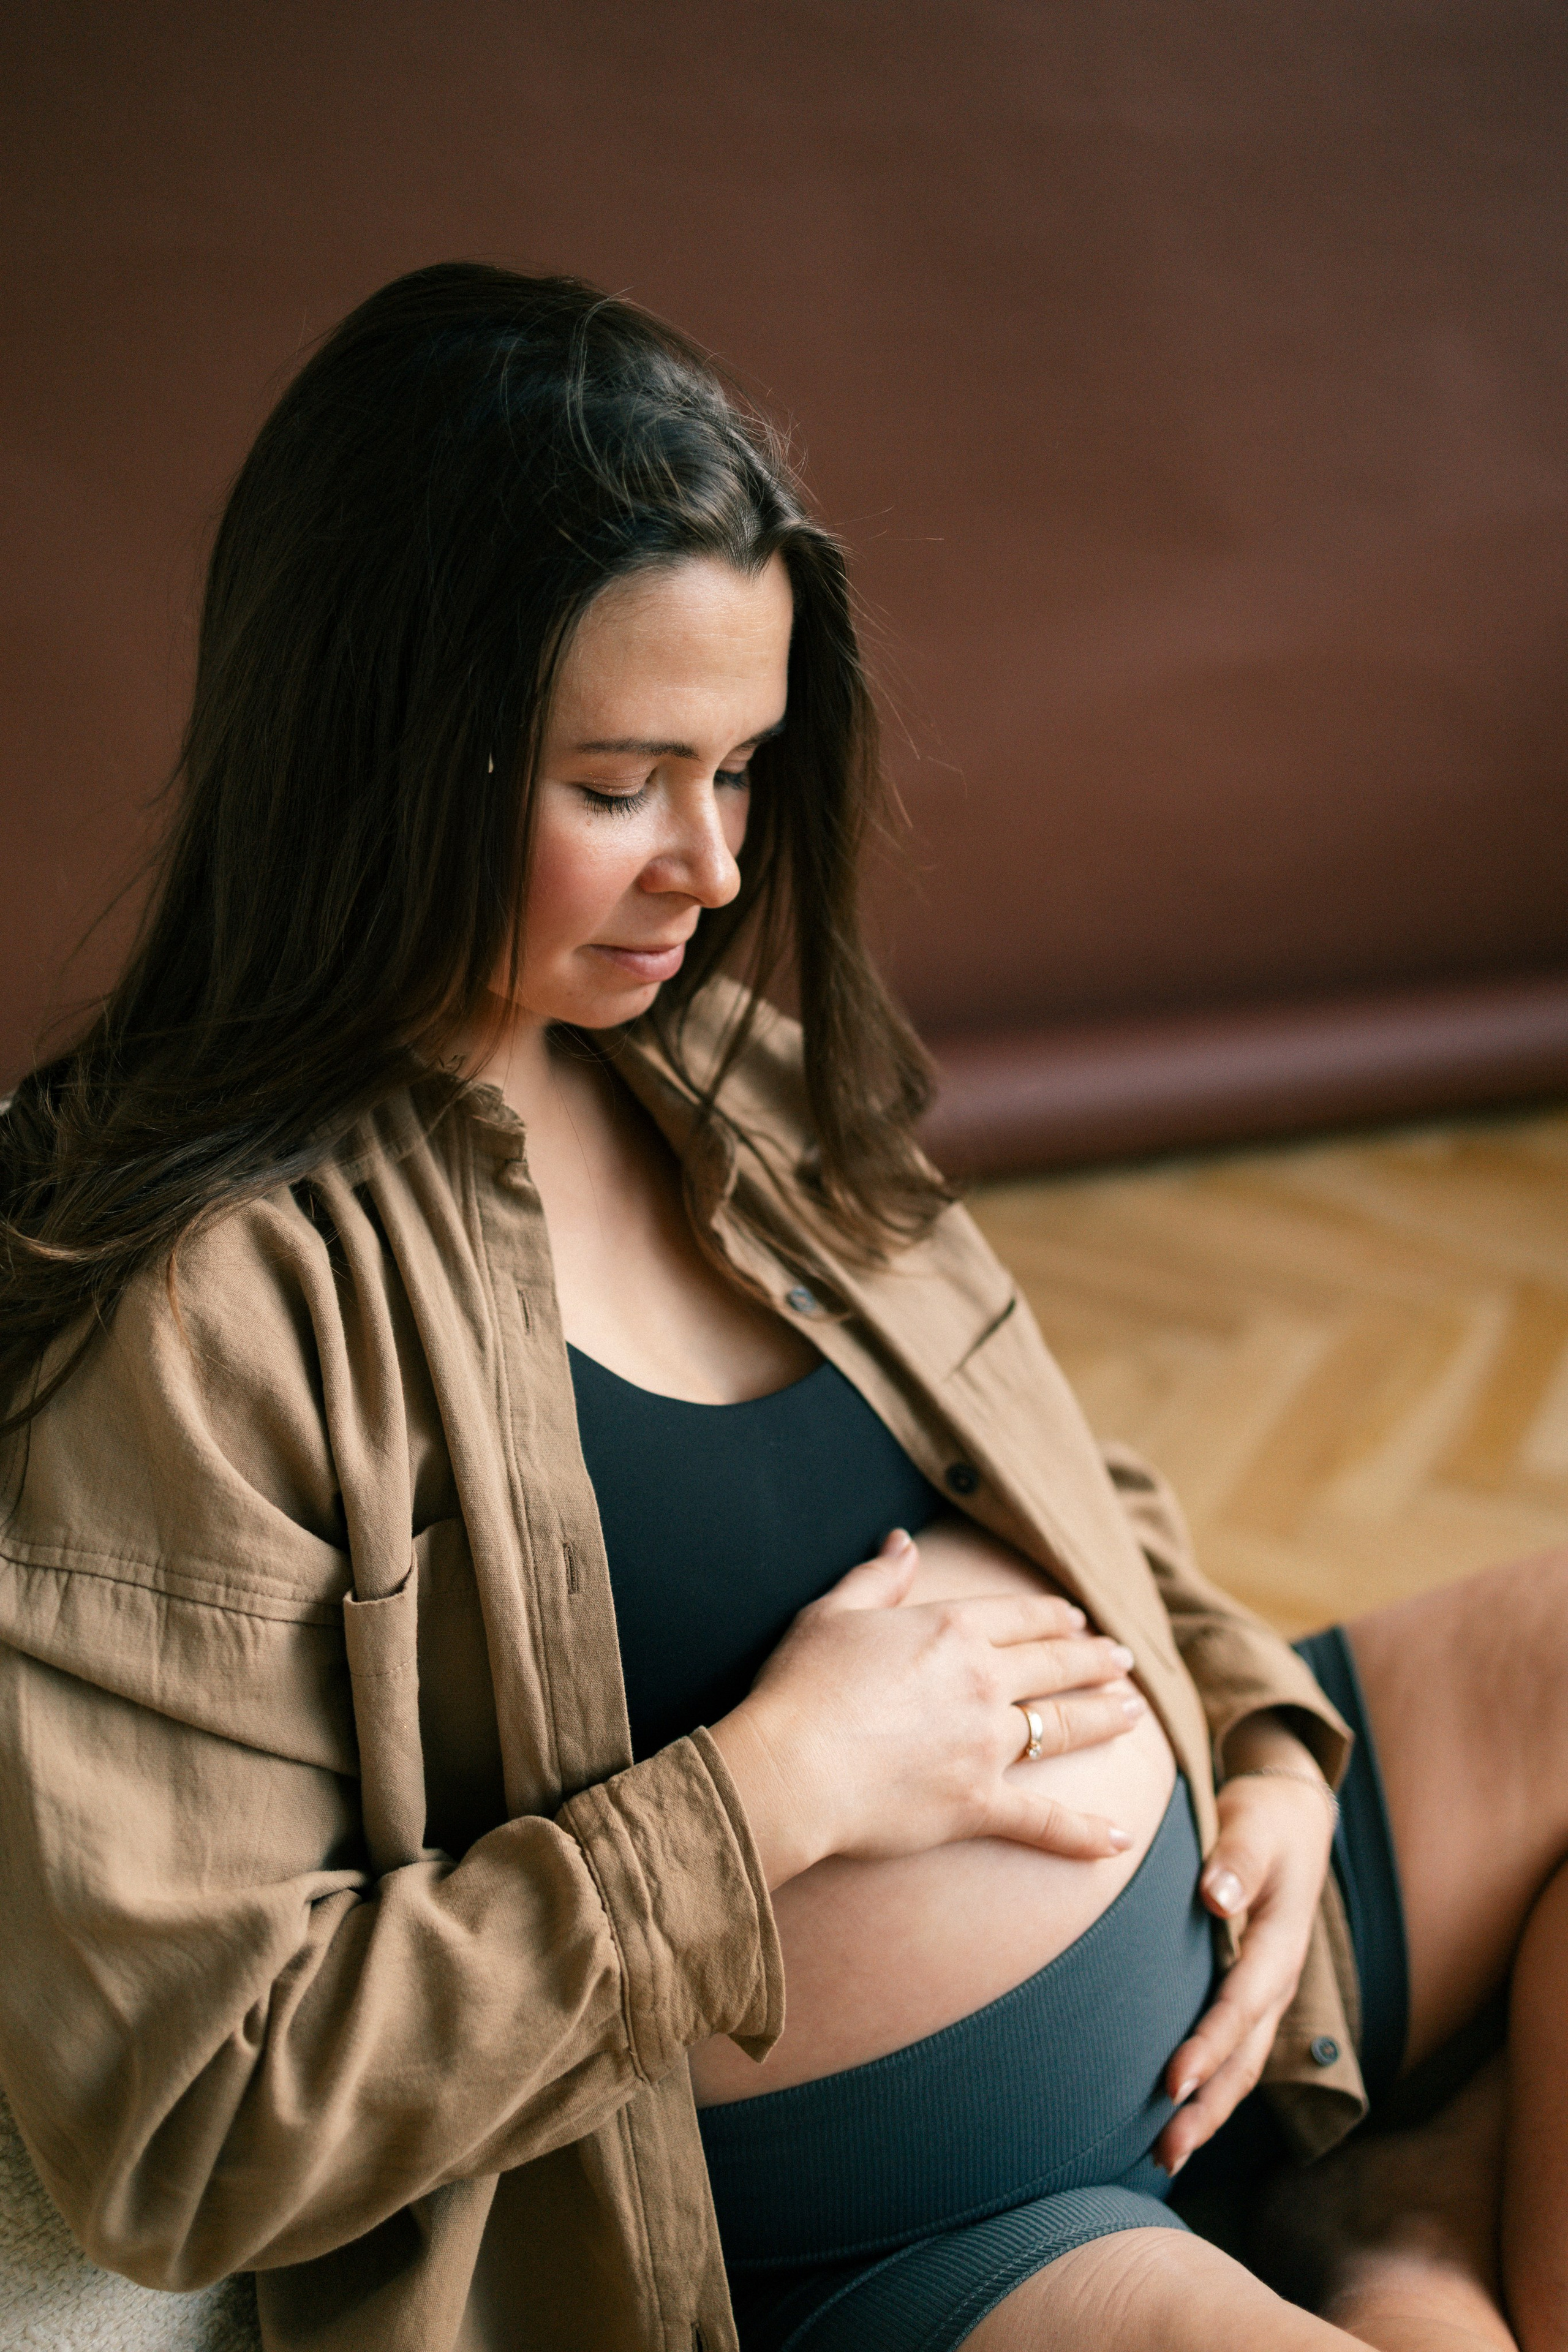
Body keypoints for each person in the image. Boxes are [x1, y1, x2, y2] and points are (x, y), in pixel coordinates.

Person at [0, 263, 1564, 2352]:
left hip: (1248, 1924)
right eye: (622, 784)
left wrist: (1267, 1747)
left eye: (739, 772)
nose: (714, 872)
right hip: (929, 2221)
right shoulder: (206, 1317)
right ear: (379, 758)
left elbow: (1050, 1457)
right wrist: (780, 1789)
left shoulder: (710, 1068)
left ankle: (1387, 2190)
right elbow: (191, 2119)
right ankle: (1392, 2234)